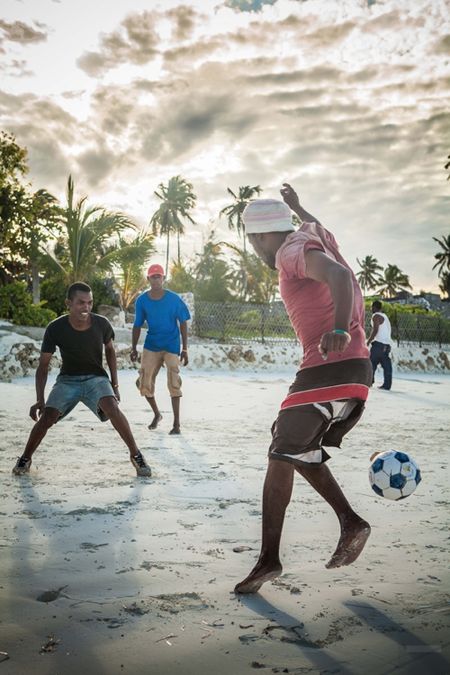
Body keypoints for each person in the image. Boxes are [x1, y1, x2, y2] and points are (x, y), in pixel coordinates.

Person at [235, 184, 373, 594]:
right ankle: (351, 523)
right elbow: (323, 235)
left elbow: (340, 275)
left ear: (261, 236)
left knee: (281, 452)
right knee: (297, 448)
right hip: (348, 368)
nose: (256, 249)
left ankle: (268, 560)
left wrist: (337, 329)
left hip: (331, 367)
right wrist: (297, 207)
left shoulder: (289, 251)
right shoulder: (310, 234)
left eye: (253, 240)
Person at [12, 282, 152, 478]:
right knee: (47, 417)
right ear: (68, 303)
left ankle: (136, 455)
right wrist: (40, 399)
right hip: (67, 380)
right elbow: (43, 366)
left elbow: (110, 350)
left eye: (89, 303)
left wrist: (115, 384)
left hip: (96, 378)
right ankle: (25, 459)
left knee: (112, 406)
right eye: (80, 303)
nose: (86, 307)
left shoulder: (101, 323)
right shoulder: (55, 328)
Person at [131, 264, 190, 435]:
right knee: (145, 382)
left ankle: (176, 424)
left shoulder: (174, 299)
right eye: (153, 276)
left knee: (174, 382)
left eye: (159, 276)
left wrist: (184, 348)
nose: (156, 279)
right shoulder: (142, 300)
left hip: (171, 344)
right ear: (148, 279)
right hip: (152, 345)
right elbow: (137, 325)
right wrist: (134, 348)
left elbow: (183, 322)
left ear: (163, 279)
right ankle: (157, 414)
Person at [367, 300, 392, 390]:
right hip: (387, 345)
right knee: (386, 366)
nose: (371, 309)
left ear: (374, 307)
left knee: (371, 364)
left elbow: (375, 330)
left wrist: (369, 341)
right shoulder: (385, 316)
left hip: (379, 344)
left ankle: (369, 382)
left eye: (371, 307)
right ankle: (387, 385)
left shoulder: (375, 316)